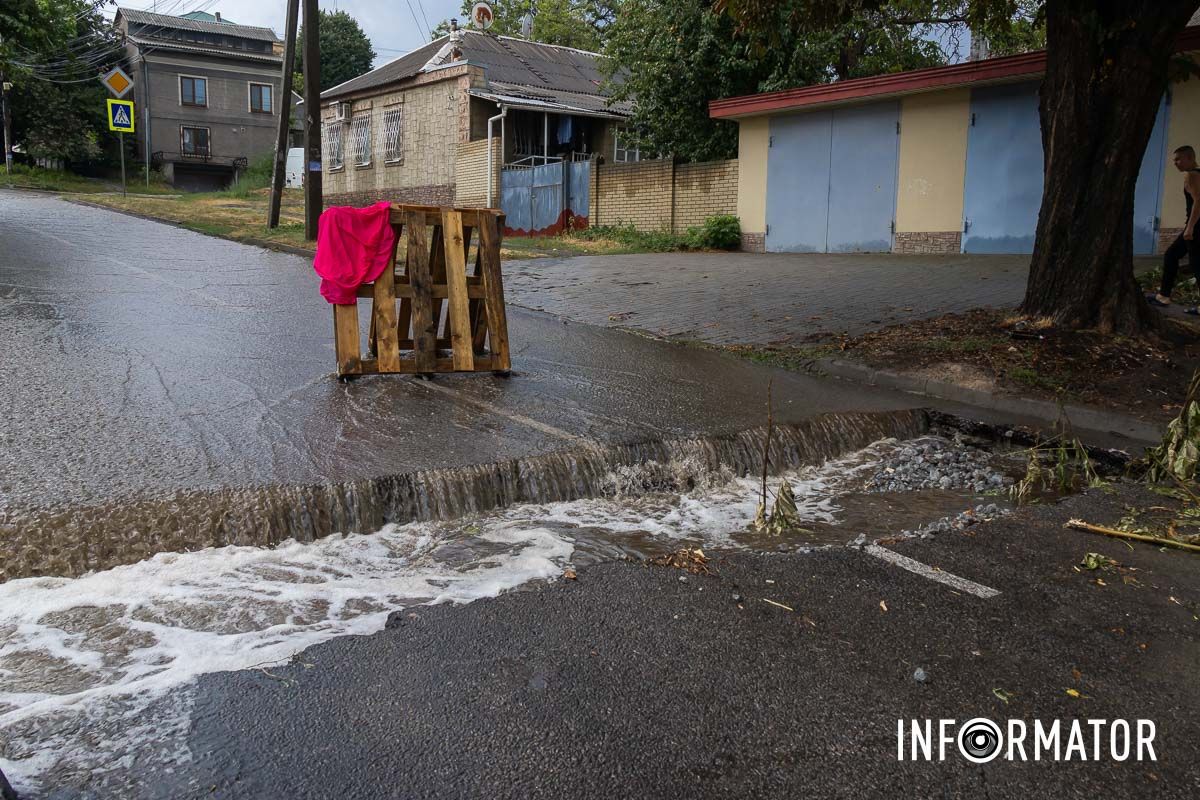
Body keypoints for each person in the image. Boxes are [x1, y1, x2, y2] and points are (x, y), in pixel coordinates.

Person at [1148, 145, 1200, 314]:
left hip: (1196, 226)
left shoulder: (1191, 175)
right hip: (1196, 225)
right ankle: (1163, 295)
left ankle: (1164, 296)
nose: (1175, 163)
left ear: (1190, 158)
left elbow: (1199, 203)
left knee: (1194, 263)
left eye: (1178, 159)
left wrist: (1190, 227)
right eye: (1173, 160)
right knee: (1174, 255)